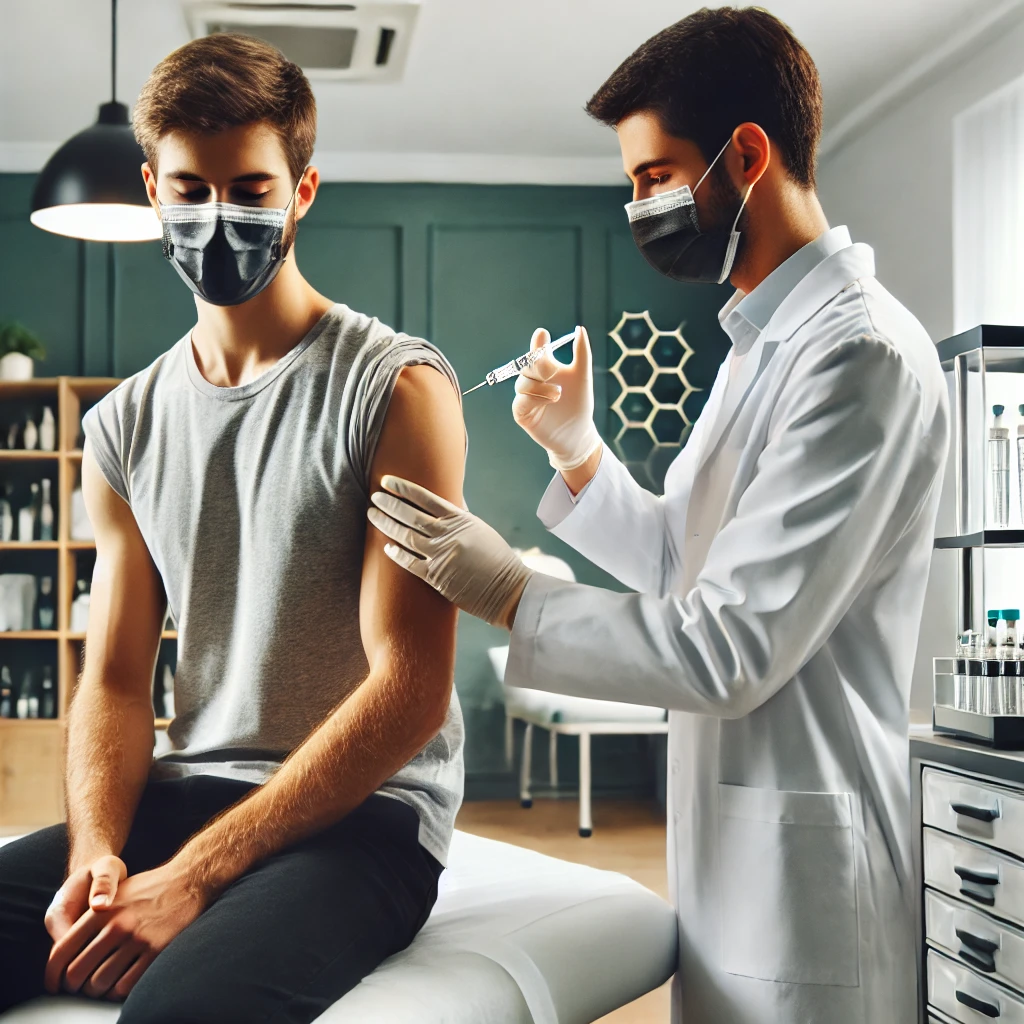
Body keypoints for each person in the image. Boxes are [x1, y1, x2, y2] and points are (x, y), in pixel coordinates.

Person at [368, 7, 949, 1024]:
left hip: (812, 876)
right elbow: (683, 563)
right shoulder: (758, 341)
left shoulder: (860, 358)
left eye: (651, 175)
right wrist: (576, 450)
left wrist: (512, 587)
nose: (638, 205)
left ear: (748, 154)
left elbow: (727, 645)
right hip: (735, 845)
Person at [0, 33, 466, 1023]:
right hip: (190, 785)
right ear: (151, 188)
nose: (219, 217)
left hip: (365, 820)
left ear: (301, 193)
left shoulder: (398, 390)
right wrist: (99, 855)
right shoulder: (122, 425)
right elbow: (117, 677)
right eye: (190, 187)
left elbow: (412, 691)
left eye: (251, 190)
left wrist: (194, 878)